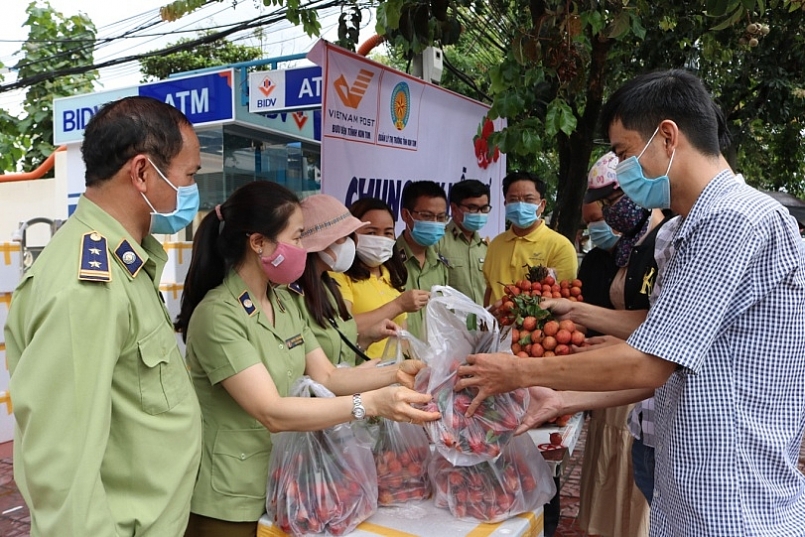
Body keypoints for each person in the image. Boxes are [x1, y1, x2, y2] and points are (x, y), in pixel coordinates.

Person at [457, 69, 805, 536]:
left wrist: (519, 372)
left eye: (623, 153)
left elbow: (649, 363)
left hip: (734, 495)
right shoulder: (694, 225)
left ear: (666, 137)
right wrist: (563, 395)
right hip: (697, 486)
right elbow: (670, 359)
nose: (622, 170)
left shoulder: (733, 219)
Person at [177, 181, 440, 536]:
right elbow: (271, 410)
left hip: (287, 481)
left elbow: (327, 378)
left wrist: (397, 374)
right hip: (231, 496)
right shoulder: (218, 316)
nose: (305, 248)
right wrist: (371, 404)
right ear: (258, 243)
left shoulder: (284, 301)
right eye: (298, 237)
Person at [4, 96, 203, 536]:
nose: (192, 192)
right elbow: (62, 471)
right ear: (142, 173)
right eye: (188, 176)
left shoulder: (123, 263)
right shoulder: (88, 284)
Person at [289, 194, 400, 367]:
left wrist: (366, 339)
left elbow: (341, 355)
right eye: (342, 237)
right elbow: (321, 374)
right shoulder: (292, 296)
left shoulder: (329, 287)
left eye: (350, 236)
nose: (350, 244)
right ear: (320, 241)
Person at [330, 198, 430, 358]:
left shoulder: (393, 276)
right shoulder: (338, 275)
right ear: (351, 234)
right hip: (360, 374)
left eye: (388, 232)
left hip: (394, 376)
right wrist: (399, 305)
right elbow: (344, 326)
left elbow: (402, 337)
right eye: (371, 232)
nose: (381, 238)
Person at [483, 171, 578, 305]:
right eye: (514, 200)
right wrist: (486, 320)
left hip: (536, 324)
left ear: (542, 205)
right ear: (505, 204)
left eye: (528, 199)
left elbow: (565, 298)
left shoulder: (560, 246)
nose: (520, 205)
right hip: (497, 324)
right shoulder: (495, 244)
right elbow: (490, 289)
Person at [395, 180, 450, 339]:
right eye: (426, 216)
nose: (434, 223)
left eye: (440, 218)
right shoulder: (388, 261)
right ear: (406, 215)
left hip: (433, 357)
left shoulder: (440, 265)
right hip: (399, 358)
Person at [435, 179, 491, 304]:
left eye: (484, 208)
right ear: (454, 209)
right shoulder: (438, 242)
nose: (479, 213)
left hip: (482, 321)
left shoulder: (485, 247)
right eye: (472, 208)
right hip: (449, 321)